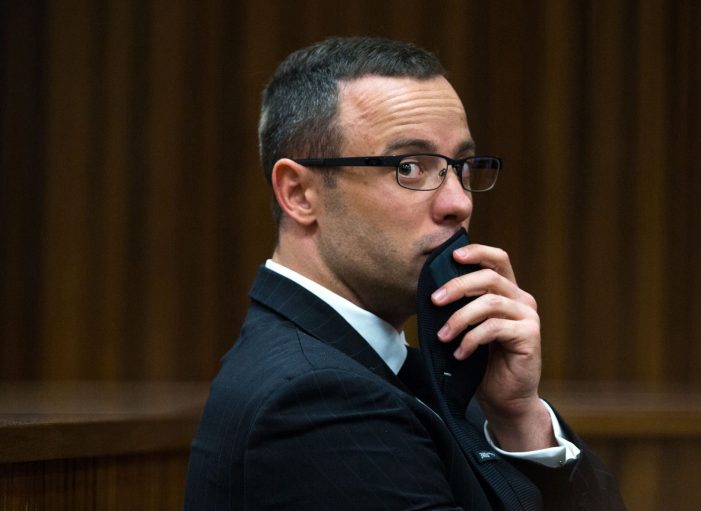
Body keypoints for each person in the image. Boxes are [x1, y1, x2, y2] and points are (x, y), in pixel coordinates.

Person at [184, 36, 626, 510]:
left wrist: (520, 418)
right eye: (409, 167)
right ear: (299, 193)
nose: (459, 202)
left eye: (461, 167)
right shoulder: (316, 399)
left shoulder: (399, 366)